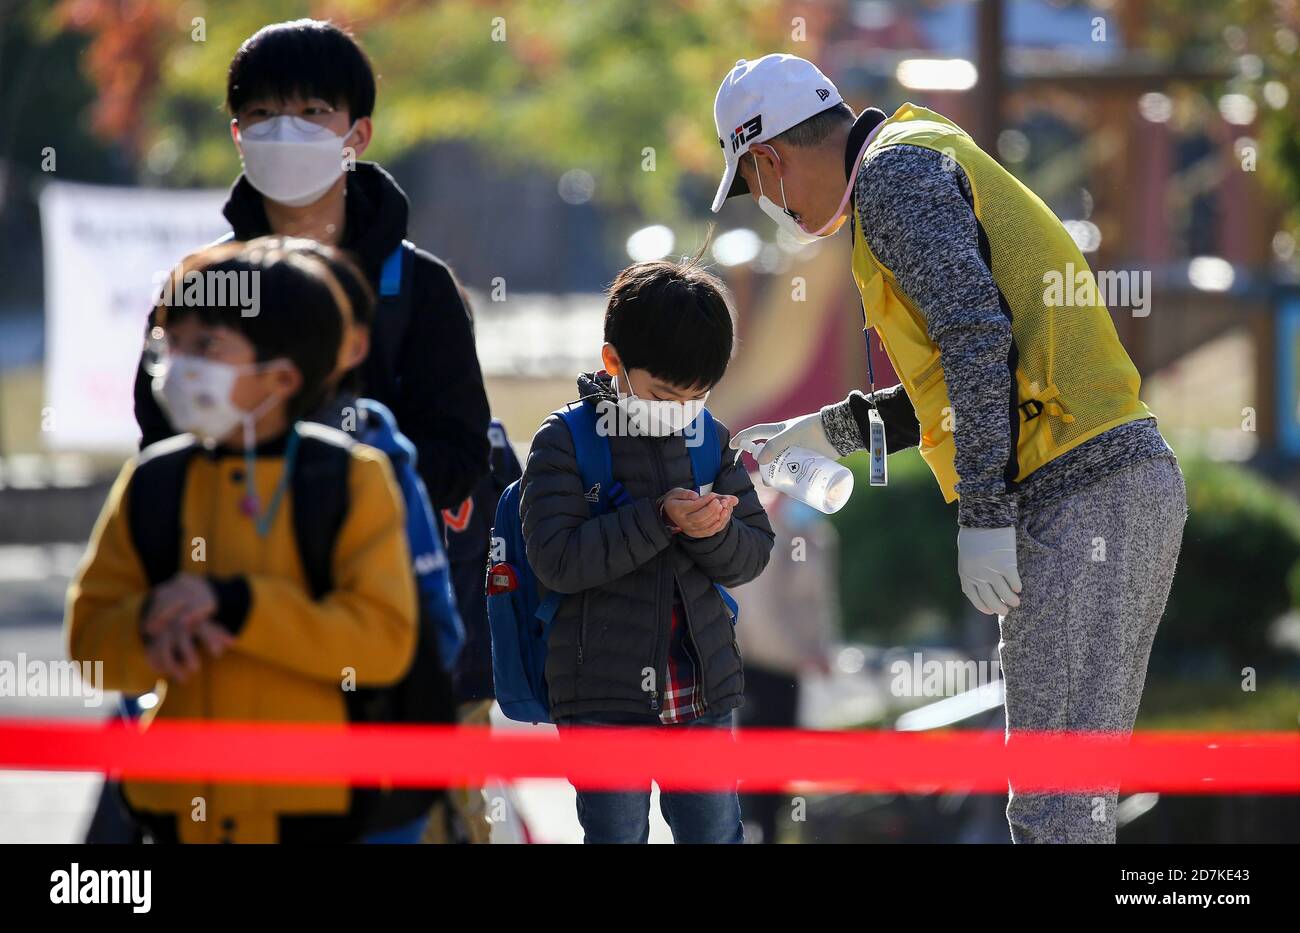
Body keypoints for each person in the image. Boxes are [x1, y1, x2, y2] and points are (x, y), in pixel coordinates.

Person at [708, 54, 1187, 843]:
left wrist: (984, 516)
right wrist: (825, 432)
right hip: (1111, 483)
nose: (769, 206)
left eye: (756, 187)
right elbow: (964, 375)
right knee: (1072, 798)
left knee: (1053, 804)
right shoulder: (913, 156)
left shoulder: (893, 180)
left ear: (767, 158)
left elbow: (976, 339)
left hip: (1079, 492)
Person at [67, 238, 417, 843]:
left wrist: (239, 607)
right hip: (176, 808)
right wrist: (150, 625)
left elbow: (382, 645)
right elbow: (90, 645)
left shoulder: (349, 480)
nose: (178, 365)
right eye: (170, 344)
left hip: (311, 810)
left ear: (282, 376)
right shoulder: (153, 480)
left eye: (206, 346)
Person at [131, 17, 490, 511]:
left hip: (372, 574)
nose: (284, 131)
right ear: (238, 136)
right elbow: (161, 439)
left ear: (358, 135)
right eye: (262, 112)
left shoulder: (419, 286)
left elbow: (460, 455)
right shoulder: (201, 286)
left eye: (312, 111)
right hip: (227, 562)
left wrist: (332, 485)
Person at [518, 254, 774, 844]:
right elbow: (555, 560)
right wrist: (659, 519)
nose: (679, 411)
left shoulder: (710, 437)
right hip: (601, 693)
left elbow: (752, 553)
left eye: (697, 396)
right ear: (613, 362)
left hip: (701, 686)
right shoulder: (565, 442)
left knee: (717, 834)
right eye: (662, 393)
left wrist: (714, 532)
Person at [732, 486, 840, 844]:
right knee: (756, 769)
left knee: (780, 767)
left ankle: (770, 833)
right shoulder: (760, 533)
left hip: (791, 670)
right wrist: (801, 654)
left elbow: (819, 602)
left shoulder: (814, 536)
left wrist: (821, 650)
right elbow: (759, 614)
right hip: (760, 669)